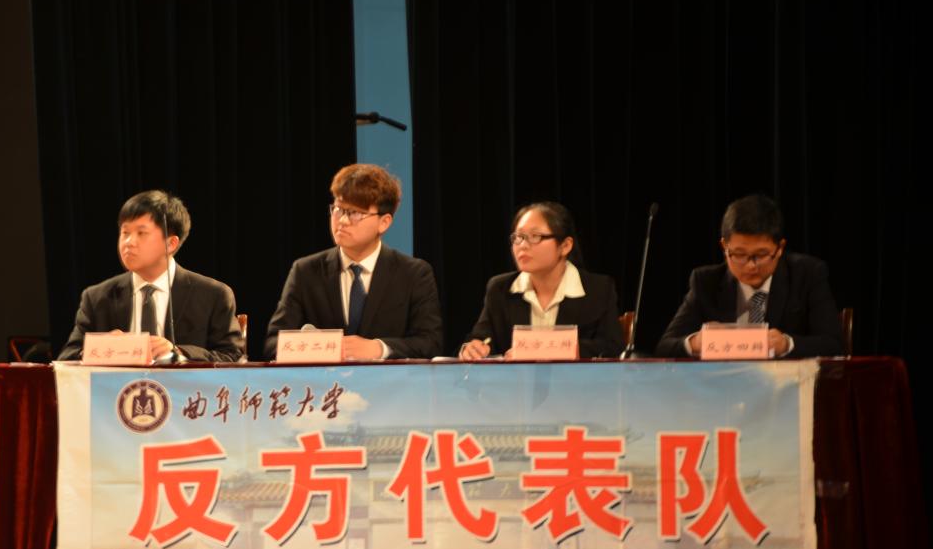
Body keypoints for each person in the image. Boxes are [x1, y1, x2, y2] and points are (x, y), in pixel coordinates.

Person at [263, 163, 443, 360]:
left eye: (355, 213)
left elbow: (430, 343)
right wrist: (324, 348)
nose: (342, 221)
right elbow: (273, 343)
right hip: (325, 379)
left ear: (384, 222)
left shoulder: (414, 274)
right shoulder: (305, 271)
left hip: (389, 380)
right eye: (338, 209)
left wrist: (378, 348)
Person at [58, 190, 243, 362]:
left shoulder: (213, 295)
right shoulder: (97, 297)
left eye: (141, 233)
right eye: (125, 233)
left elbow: (232, 356)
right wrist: (100, 349)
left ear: (171, 244)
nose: (128, 242)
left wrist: (179, 352)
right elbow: (67, 358)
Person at [656, 193, 842, 358]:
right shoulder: (705, 282)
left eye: (761, 255)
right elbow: (664, 347)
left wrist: (787, 344)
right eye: (739, 254)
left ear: (780, 248)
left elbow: (833, 344)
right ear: (724, 247)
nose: (751, 265)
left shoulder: (807, 274)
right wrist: (696, 342)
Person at [459, 201, 624, 360]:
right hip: (515, 380)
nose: (522, 245)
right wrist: (472, 348)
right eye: (518, 237)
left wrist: (545, 350)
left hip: (575, 379)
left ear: (565, 246)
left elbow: (612, 347)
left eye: (535, 236)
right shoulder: (500, 288)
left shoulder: (598, 289)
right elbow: (481, 337)